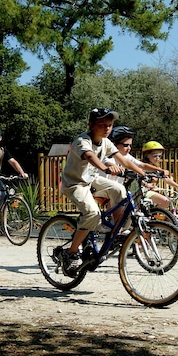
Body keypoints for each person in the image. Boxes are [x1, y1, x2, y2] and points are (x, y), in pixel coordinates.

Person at [60, 108, 146, 275]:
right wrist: (106, 168)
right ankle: (70, 253)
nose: (107, 128)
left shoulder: (106, 142)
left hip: (91, 180)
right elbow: (91, 157)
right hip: (75, 183)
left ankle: (115, 233)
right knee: (92, 214)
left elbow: (124, 160)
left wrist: (143, 174)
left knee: (119, 190)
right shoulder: (82, 141)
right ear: (91, 125)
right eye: (102, 125)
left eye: (110, 125)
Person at [140, 140, 178, 209]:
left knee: (165, 202)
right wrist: (146, 184)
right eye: (155, 155)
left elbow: (166, 179)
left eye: (159, 156)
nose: (158, 158)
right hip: (141, 192)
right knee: (164, 201)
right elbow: (136, 179)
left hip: (149, 192)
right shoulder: (141, 166)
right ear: (147, 155)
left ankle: (153, 216)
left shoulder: (157, 168)